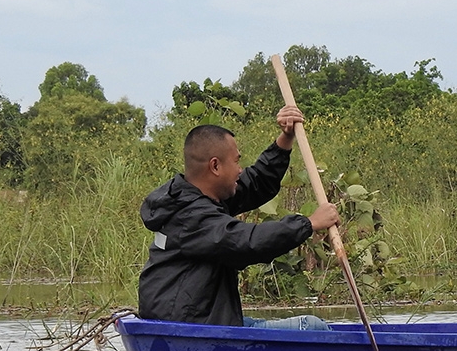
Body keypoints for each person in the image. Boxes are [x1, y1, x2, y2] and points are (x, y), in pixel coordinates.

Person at [137, 106, 340, 327]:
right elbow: (246, 241)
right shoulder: (191, 217)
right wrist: (309, 223)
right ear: (215, 166)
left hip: (200, 319)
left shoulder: (195, 199)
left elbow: (254, 184)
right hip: (190, 329)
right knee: (312, 327)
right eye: (236, 162)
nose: (240, 169)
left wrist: (286, 138)